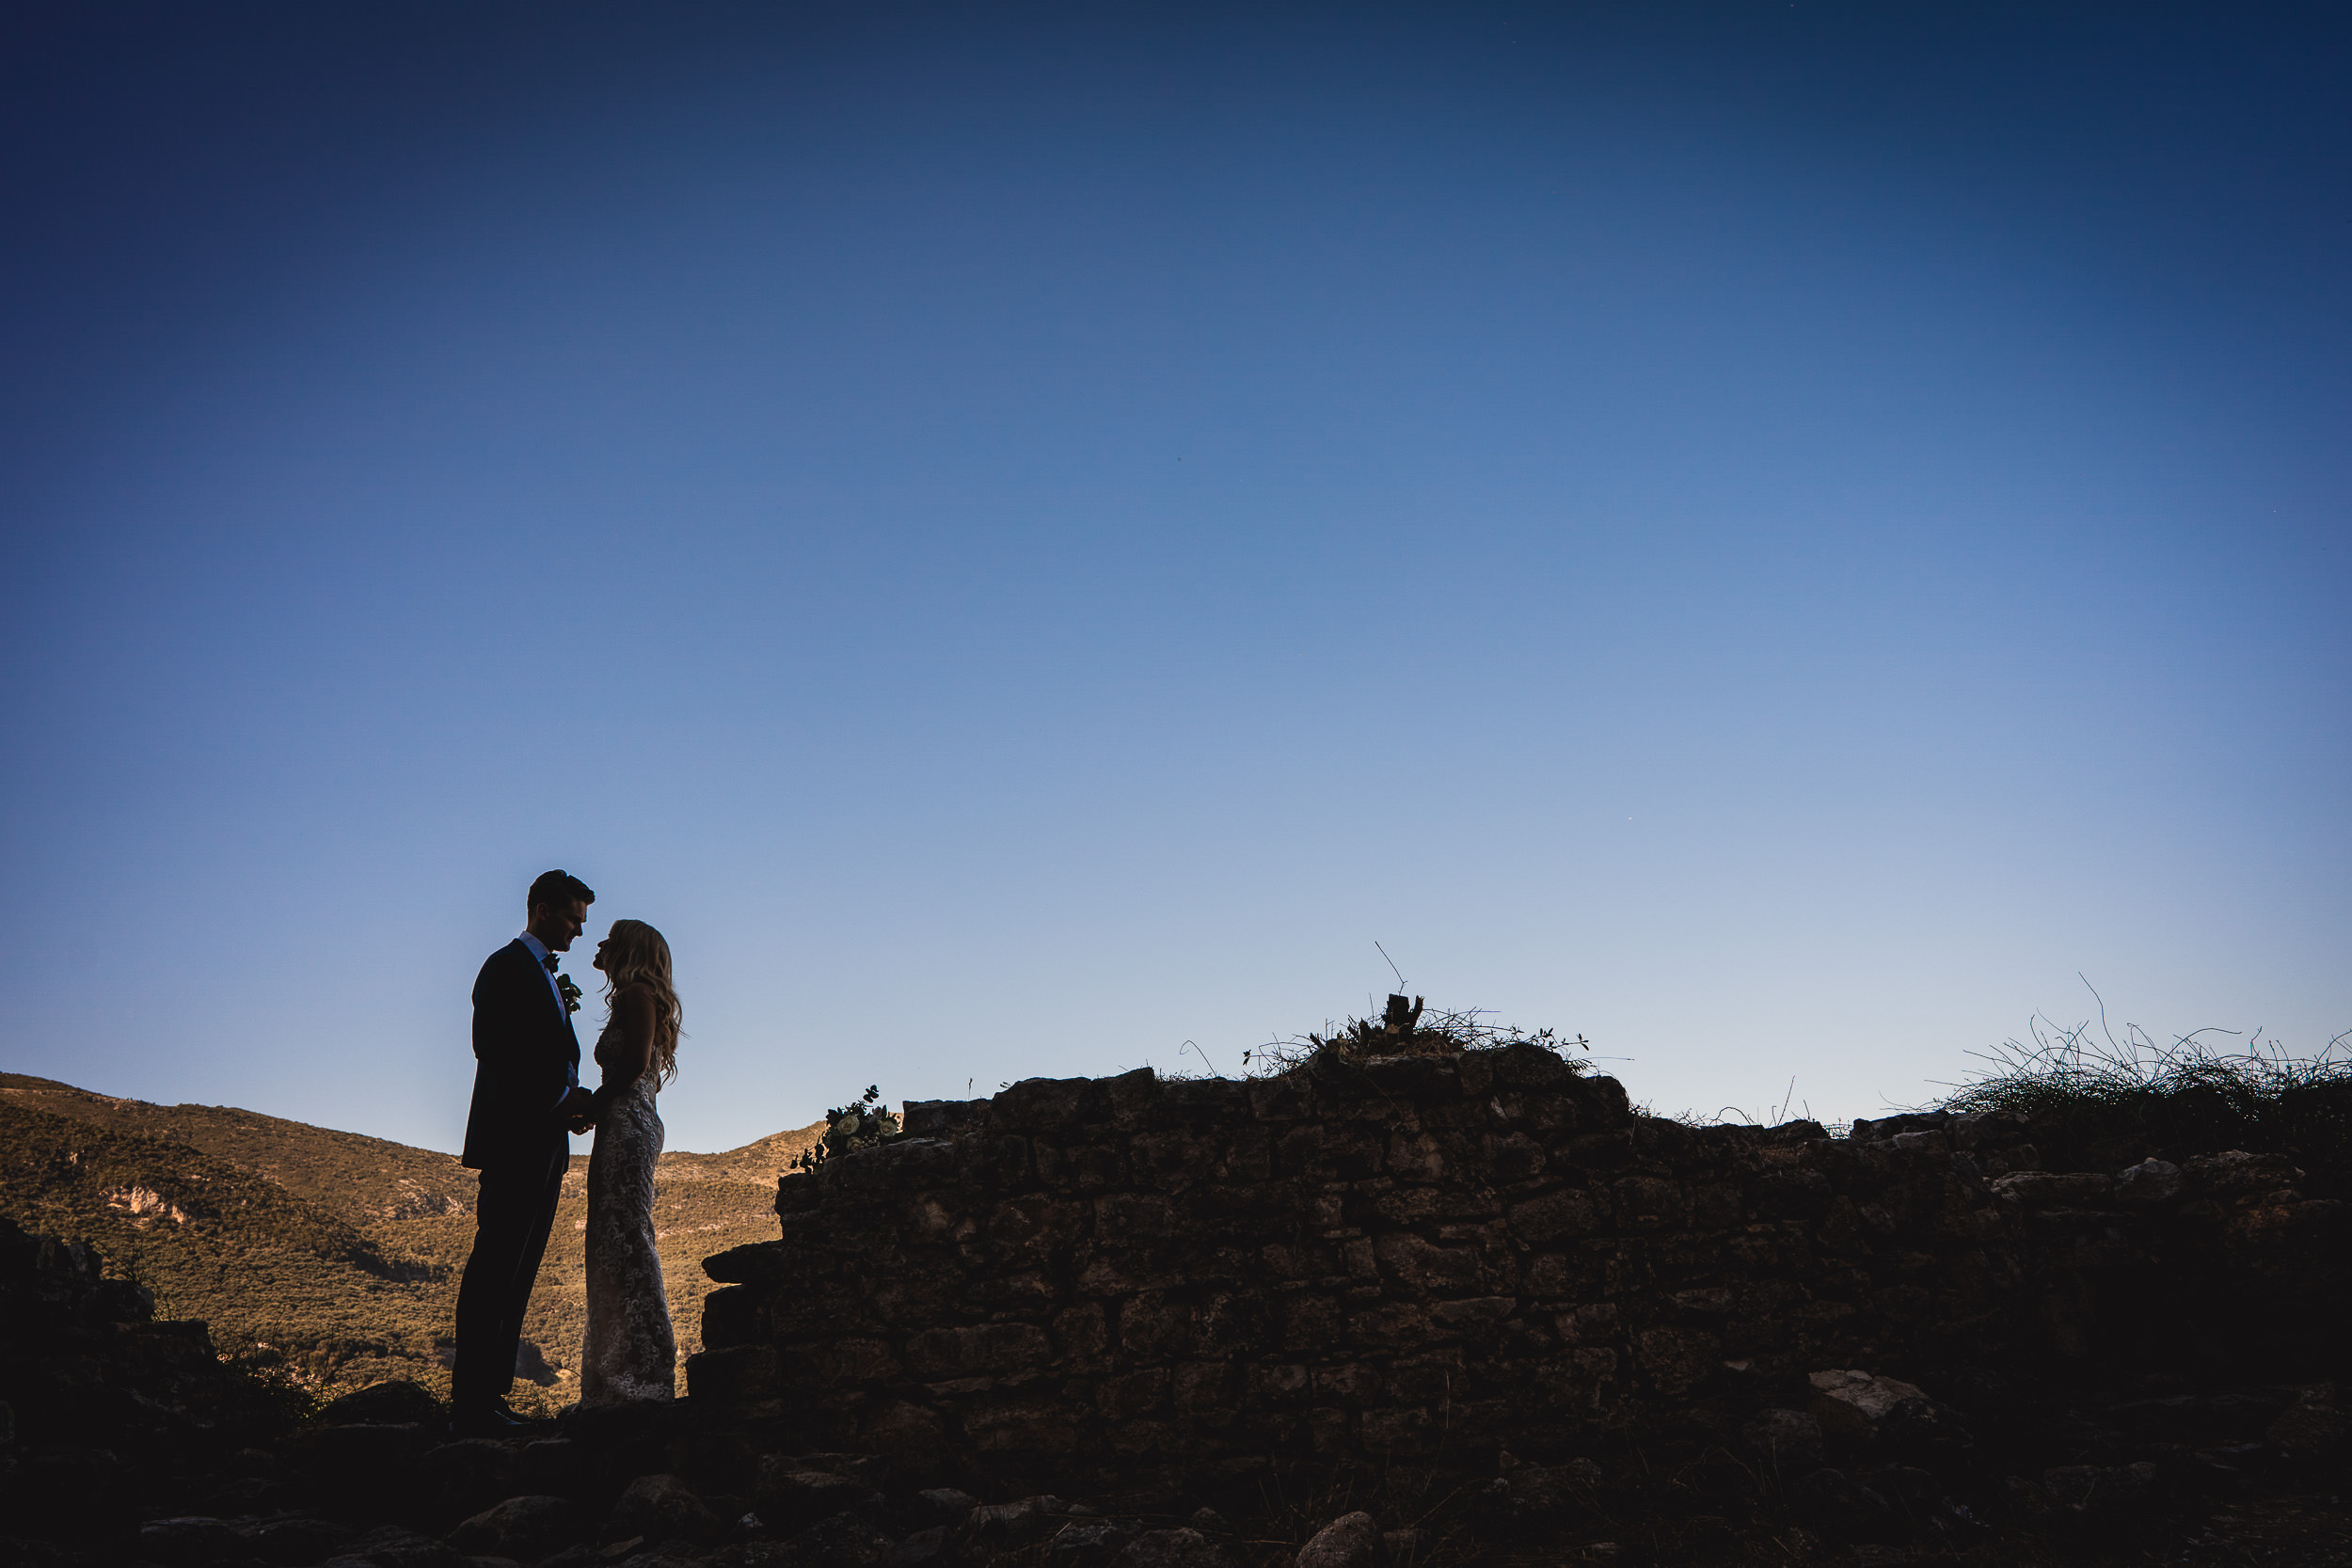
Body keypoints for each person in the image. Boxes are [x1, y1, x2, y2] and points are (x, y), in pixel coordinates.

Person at [451, 869, 599, 1435]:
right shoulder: (504, 967)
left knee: (518, 1270)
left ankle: (489, 1395)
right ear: (539, 909)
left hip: (543, 1144)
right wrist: (558, 1102)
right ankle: (470, 1406)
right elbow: (494, 1049)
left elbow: (548, 1056)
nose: (578, 933)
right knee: (494, 1267)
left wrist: (568, 1107)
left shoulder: (545, 976)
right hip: (514, 1139)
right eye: (570, 919)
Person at [579, 917, 681, 1404]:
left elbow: (635, 1065)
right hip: (627, 1122)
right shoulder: (640, 995)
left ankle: (639, 1371)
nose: (599, 943)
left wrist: (594, 1103)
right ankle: (623, 1367)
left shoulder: (636, 994)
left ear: (631, 949)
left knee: (623, 1238)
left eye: (610, 939)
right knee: (616, 1236)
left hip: (625, 1124)